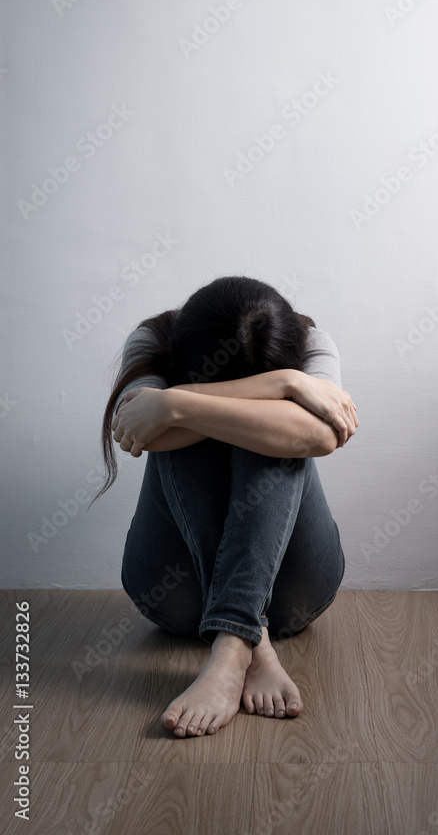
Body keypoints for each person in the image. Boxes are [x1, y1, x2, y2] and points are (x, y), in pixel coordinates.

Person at [92, 275, 358, 737]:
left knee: (277, 436)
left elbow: (318, 436)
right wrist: (283, 386)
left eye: (285, 374)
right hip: (176, 595)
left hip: (295, 591)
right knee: (228, 430)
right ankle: (251, 640)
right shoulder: (153, 339)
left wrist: (176, 402)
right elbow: (141, 430)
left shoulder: (313, 341)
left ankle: (233, 645)